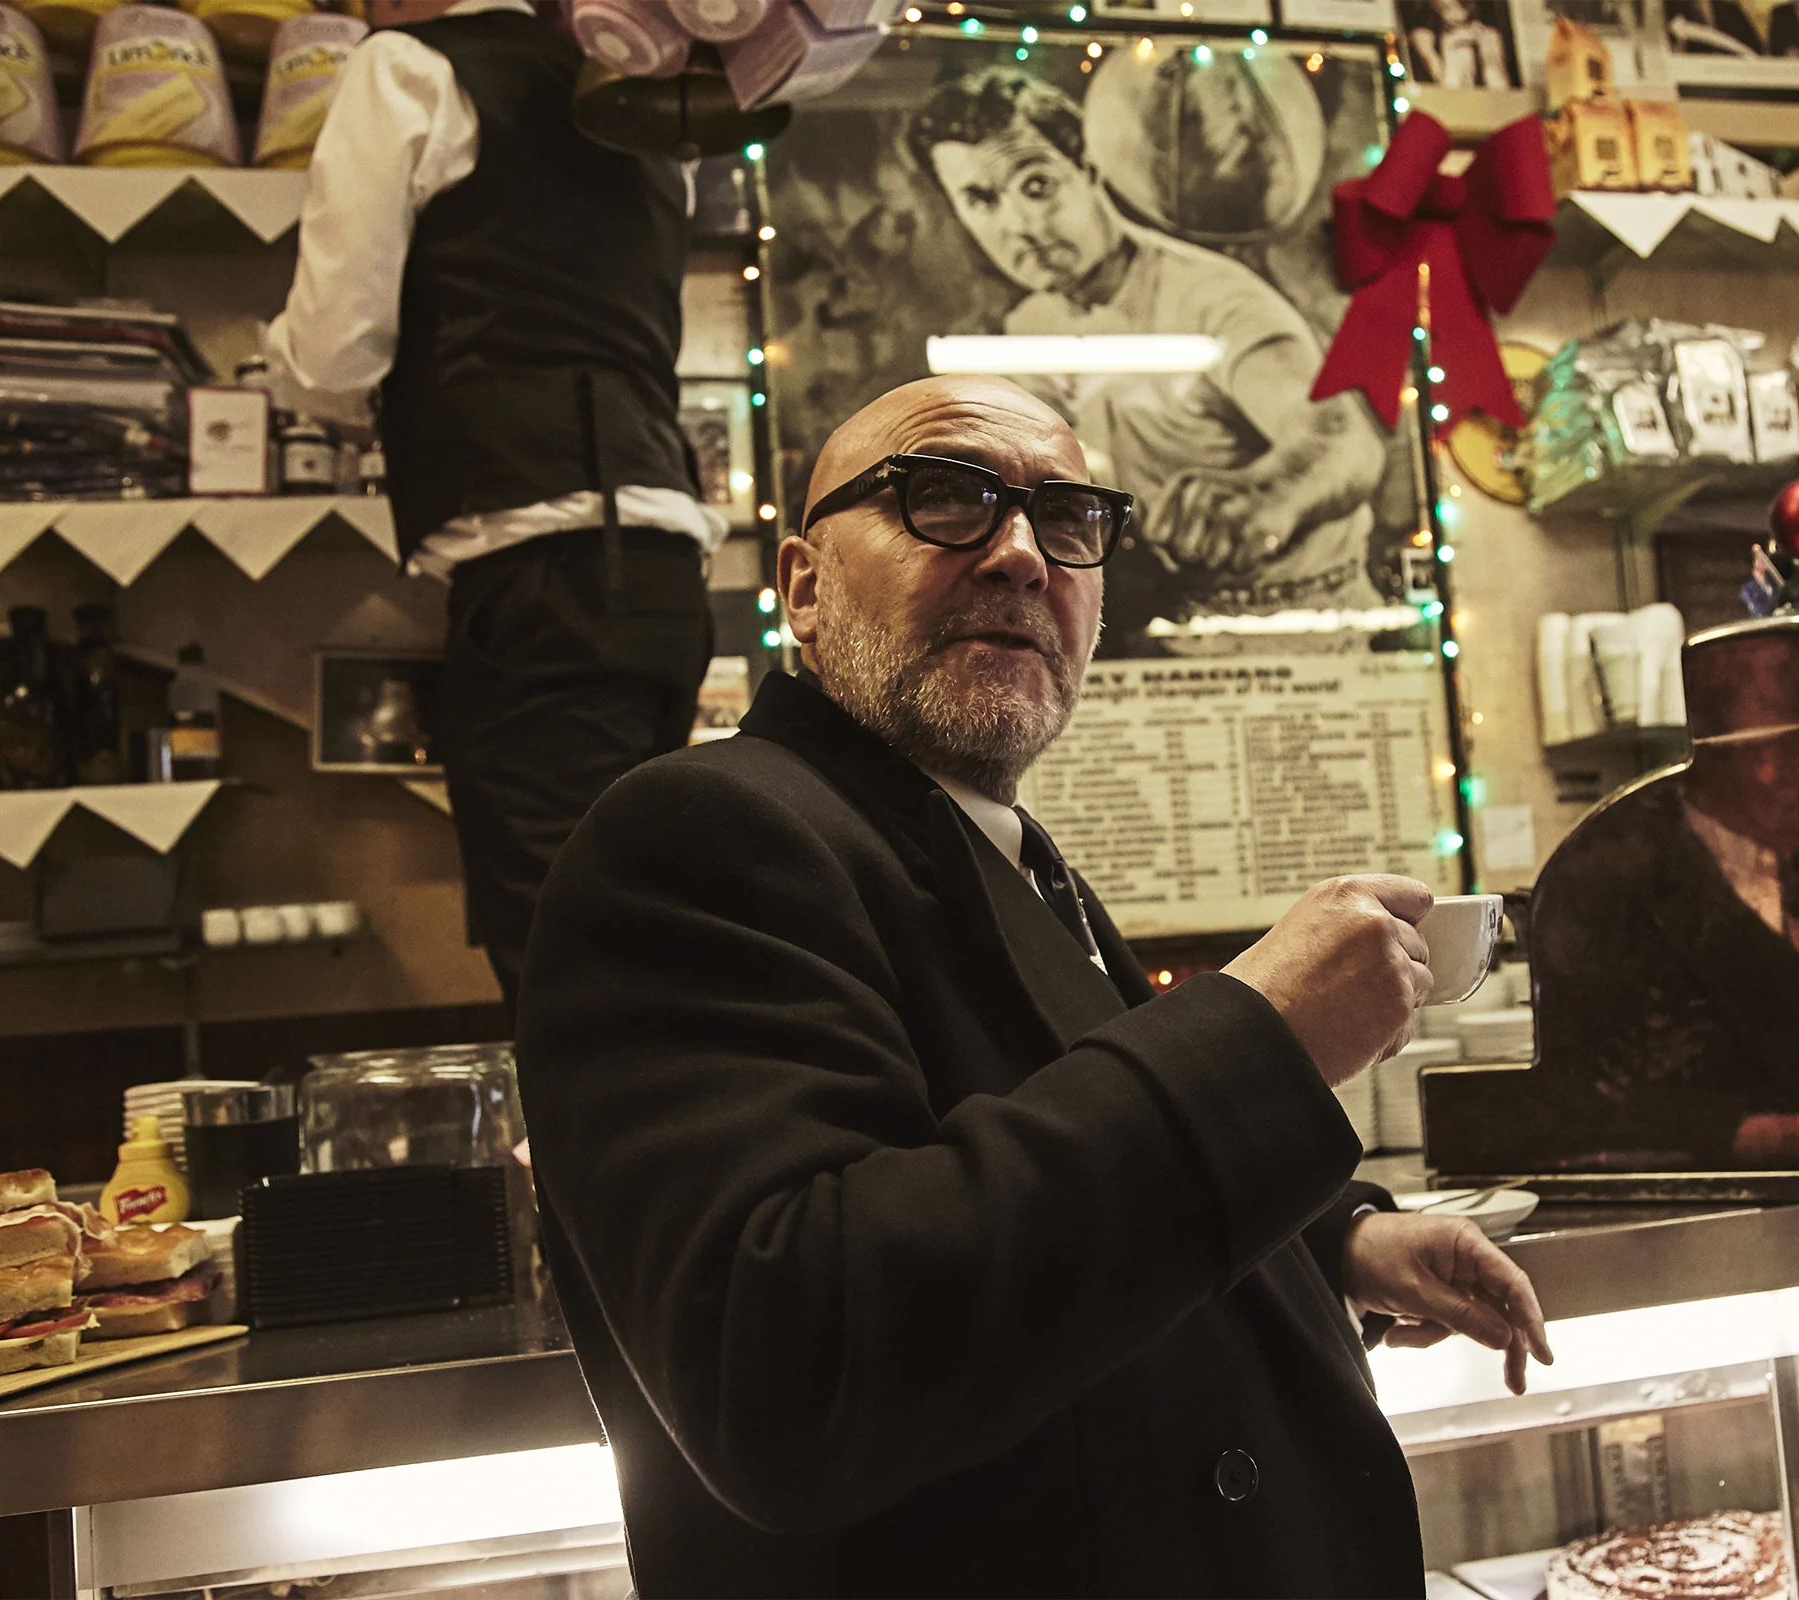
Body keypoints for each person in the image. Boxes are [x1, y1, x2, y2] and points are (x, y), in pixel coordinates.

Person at [517, 375, 1552, 1595]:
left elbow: (1036, 1163)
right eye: (944, 499)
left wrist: (1332, 1237)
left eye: (1066, 521)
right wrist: (1260, 1033)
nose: (1019, 553)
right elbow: (788, 1359)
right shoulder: (699, 828)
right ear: (802, 585)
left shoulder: (995, 848)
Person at [266, 0, 719, 1005]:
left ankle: (620, 1165)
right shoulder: (646, 99)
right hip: (664, 573)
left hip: (540, 572)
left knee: (564, 959)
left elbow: (336, 354)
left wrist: (283, 373)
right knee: (646, 926)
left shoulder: (408, 70)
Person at [907, 70, 1386, 630]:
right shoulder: (1031, 324)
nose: (1021, 226)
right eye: (981, 199)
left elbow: (1341, 436)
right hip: (1163, 635)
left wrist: (1263, 496)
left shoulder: (1210, 297)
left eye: (1037, 186)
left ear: (1090, 171)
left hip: (1309, 637)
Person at [1412, 0, 1515, 86]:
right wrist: (1449, 48)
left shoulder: (1488, 35)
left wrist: (1486, 53)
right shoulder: (1424, 37)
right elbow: (1448, 86)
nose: (1454, 14)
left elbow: (1499, 86)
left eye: (1461, 6)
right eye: (1445, 7)